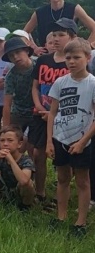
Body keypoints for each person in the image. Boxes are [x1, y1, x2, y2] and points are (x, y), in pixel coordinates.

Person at [47, 37, 95, 237]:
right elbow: (52, 112)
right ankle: (61, 216)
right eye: (68, 58)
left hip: (83, 139)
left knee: (83, 180)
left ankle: (80, 222)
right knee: (62, 177)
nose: (72, 62)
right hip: (60, 137)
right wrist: (49, 140)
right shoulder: (60, 82)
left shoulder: (92, 83)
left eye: (77, 57)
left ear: (88, 57)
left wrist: (83, 142)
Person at [30, 18, 76, 206]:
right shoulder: (43, 60)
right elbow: (35, 86)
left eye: (61, 35)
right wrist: (40, 107)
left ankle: (60, 196)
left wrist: (55, 114)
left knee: (63, 158)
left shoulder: (73, 61)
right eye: (54, 35)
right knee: (37, 153)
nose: (56, 39)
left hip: (65, 117)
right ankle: (40, 192)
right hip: (40, 114)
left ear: (72, 37)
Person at [24, 0, 95, 52]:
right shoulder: (39, 12)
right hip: (46, 55)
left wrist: (85, 48)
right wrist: (34, 48)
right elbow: (24, 33)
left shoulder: (74, 8)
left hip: (69, 53)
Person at [2, 36, 36, 149]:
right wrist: (6, 129)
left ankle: (32, 166)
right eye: (11, 55)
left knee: (33, 147)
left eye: (18, 52)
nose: (15, 57)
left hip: (37, 111)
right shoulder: (11, 76)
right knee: (15, 146)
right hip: (19, 112)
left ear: (26, 51)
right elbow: (7, 103)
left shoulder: (39, 65)